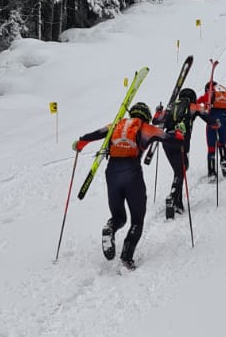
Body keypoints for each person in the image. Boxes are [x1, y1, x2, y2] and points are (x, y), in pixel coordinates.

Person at [72, 100, 178, 268]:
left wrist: (81, 142)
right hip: (132, 172)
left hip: (112, 172)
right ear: (146, 116)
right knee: (137, 220)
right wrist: (179, 134)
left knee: (119, 216)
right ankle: (126, 258)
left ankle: (110, 229)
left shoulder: (116, 124)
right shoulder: (144, 127)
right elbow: (169, 138)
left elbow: (96, 134)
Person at [152, 84, 208, 218]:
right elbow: (207, 117)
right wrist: (214, 120)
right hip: (181, 142)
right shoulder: (192, 106)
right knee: (181, 169)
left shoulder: (171, 107)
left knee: (180, 169)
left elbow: (156, 121)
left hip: (167, 142)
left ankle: (178, 202)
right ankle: (173, 197)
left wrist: (158, 111)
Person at [198, 74, 226, 179]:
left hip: (212, 118)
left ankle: (212, 172)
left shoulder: (210, 93)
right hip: (224, 118)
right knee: (221, 143)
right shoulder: (225, 93)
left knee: (211, 146)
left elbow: (197, 101)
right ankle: (224, 161)